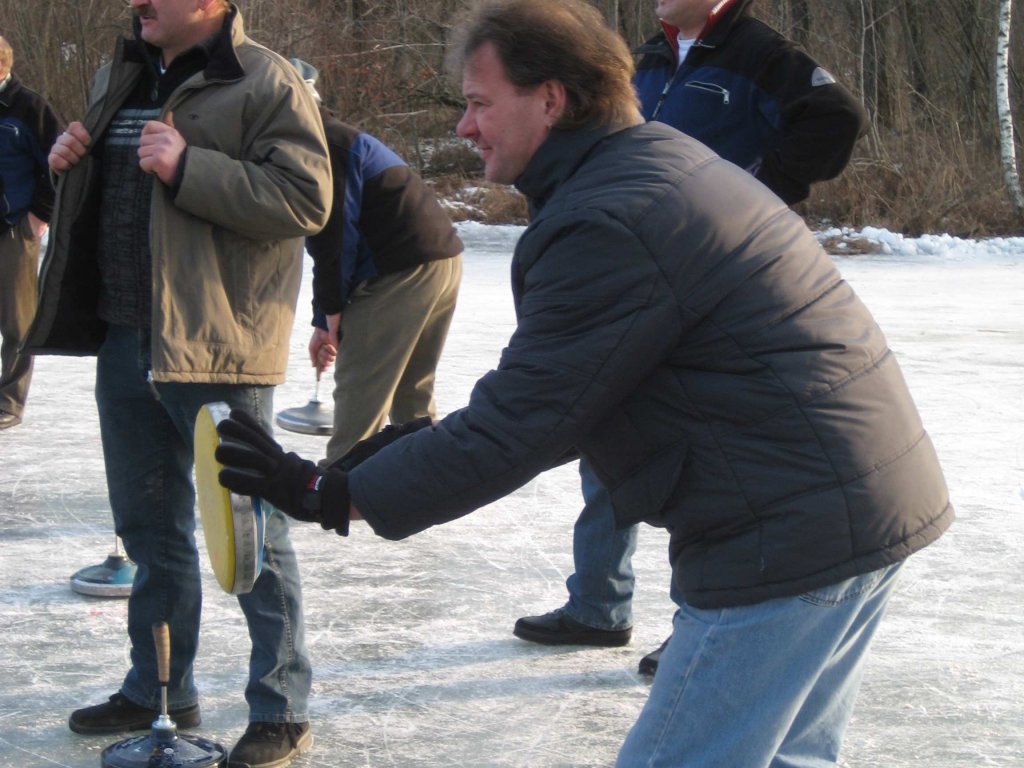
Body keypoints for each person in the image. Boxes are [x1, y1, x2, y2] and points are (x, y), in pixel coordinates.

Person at [212, 1, 953, 765]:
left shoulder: (613, 217)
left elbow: (523, 425)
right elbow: (565, 388)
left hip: (789, 532)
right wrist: (390, 456)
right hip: (851, 501)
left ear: (552, 99)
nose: (464, 128)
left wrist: (322, 494)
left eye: (477, 104)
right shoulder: (649, 164)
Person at [514, 0, 873, 676]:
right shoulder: (643, 58)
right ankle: (597, 605)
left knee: (700, 461)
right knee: (606, 431)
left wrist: (761, 189)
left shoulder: (759, 53)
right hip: (628, 266)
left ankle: (695, 623)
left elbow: (836, 117)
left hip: (711, 276)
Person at [24, 2, 331, 766]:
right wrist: (67, 165)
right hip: (126, 339)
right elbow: (121, 206)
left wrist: (191, 165)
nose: (137, 2)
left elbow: (305, 199)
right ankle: (160, 687)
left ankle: (282, 709)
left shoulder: (267, 80)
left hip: (216, 347)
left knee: (252, 538)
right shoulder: (116, 74)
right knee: (150, 531)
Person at [290, 59, 463, 463]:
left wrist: (330, 310)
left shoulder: (323, 145)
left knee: (362, 385)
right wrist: (324, 320)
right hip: (440, 259)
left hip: (402, 268)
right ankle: (425, 481)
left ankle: (336, 485)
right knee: (410, 389)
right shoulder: (337, 138)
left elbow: (334, 235)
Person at [0, 36, 60, 431]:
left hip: (14, 230)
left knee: (18, 323)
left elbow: (58, 163)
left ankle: (8, 402)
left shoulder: (30, 107)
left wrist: (40, 215)